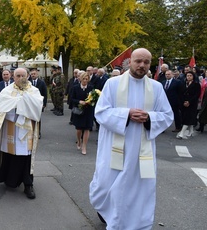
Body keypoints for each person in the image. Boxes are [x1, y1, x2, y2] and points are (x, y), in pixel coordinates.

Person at [89, 48, 173, 228]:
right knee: (107, 185)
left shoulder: (156, 88)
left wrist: (150, 118)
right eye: (138, 61)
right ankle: (108, 213)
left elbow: (167, 115)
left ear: (150, 64)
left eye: (146, 62)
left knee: (138, 188)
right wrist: (126, 115)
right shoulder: (112, 84)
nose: (142, 65)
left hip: (141, 152)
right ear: (130, 61)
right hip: (114, 147)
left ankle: (135, 222)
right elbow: (101, 112)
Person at [0, 68, 44, 199]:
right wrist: (20, 102)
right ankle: (9, 179)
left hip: (27, 130)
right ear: (13, 77)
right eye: (18, 75)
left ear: (27, 76)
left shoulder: (34, 91)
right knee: (10, 155)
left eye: (23, 75)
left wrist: (22, 102)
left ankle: (28, 184)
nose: (21, 77)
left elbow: (38, 107)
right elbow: (3, 103)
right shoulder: (8, 90)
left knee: (26, 157)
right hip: (12, 128)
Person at [70, 72, 94, 155]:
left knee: (87, 128)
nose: (85, 81)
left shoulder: (91, 88)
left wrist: (90, 101)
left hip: (88, 111)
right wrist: (79, 101)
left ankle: (84, 146)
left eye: (86, 79)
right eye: (83, 79)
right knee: (79, 129)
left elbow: (94, 98)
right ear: (80, 79)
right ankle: (79, 140)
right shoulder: (75, 88)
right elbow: (71, 99)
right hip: (79, 111)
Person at [176, 71, 201, 139]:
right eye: (187, 76)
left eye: (190, 75)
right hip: (184, 103)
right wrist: (183, 101)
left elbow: (197, 95)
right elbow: (181, 93)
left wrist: (189, 102)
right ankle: (191, 131)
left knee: (188, 118)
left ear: (193, 76)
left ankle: (182, 133)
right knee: (187, 117)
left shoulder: (196, 84)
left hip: (192, 104)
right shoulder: (184, 84)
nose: (189, 77)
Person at [30, 68, 47, 138]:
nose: (33, 75)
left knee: (38, 118)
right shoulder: (28, 82)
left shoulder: (42, 83)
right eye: (32, 74)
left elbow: (45, 93)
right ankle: (31, 131)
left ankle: (38, 132)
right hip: (30, 103)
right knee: (30, 118)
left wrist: (44, 104)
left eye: (34, 74)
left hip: (38, 104)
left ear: (37, 74)